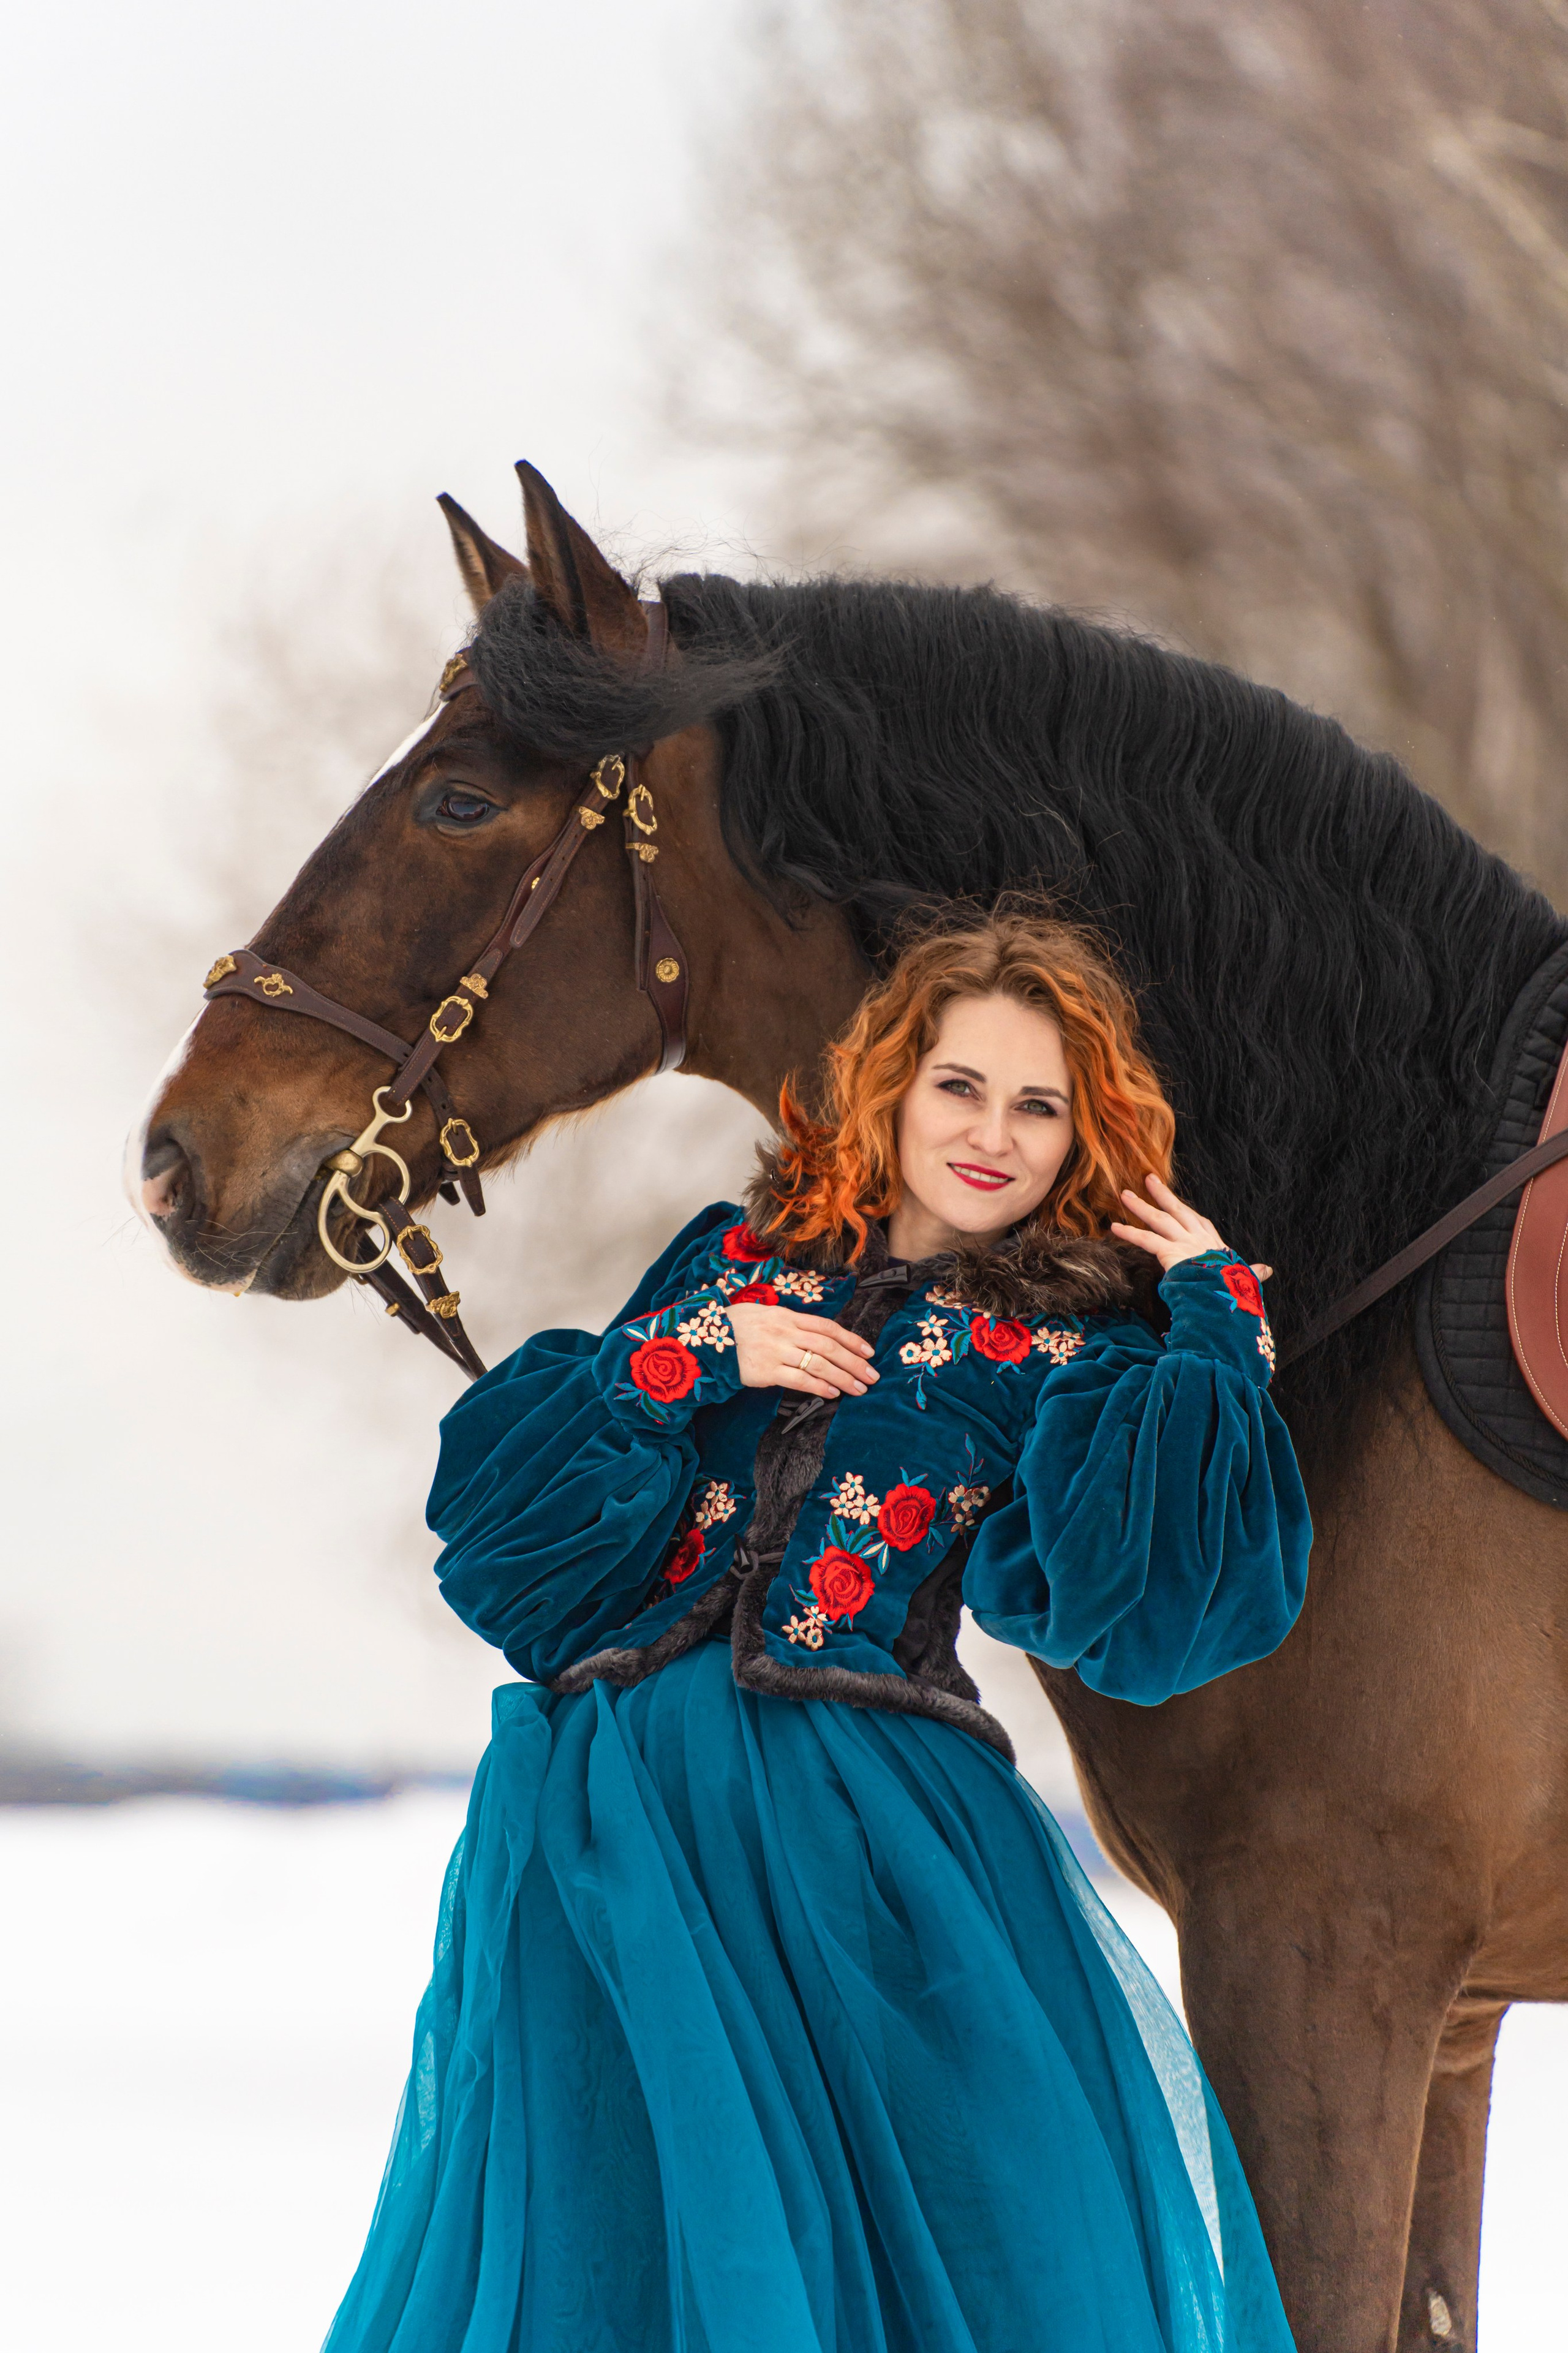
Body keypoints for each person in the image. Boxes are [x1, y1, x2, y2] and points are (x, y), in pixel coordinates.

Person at [325, 910, 1311, 2353]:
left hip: (877, 1839)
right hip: (623, 1814)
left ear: (1081, 1136)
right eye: (959, 1085)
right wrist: (685, 1356)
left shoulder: (1074, 1349)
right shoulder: (732, 1259)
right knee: (622, 2229)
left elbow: (1143, 1606)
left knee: (965, 2224)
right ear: (893, 1088)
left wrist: (1218, 1324)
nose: (991, 1133)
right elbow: (526, 1557)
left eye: (1039, 1105)